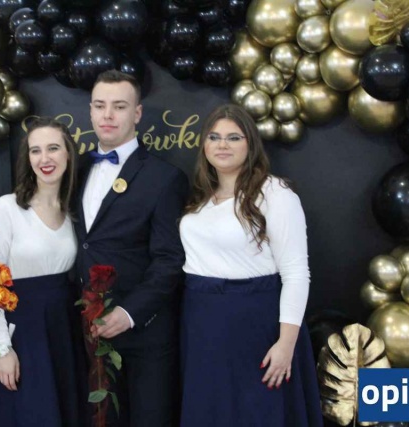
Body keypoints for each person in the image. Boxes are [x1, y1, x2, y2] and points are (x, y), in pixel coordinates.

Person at [179, 104, 323, 426]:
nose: (222, 144)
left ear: (251, 144)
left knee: (256, 412)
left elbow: (296, 274)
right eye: (214, 137)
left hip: (254, 324)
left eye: (234, 137)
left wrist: (286, 345)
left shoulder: (275, 194)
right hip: (200, 323)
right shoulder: (202, 196)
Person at [74, 69, 189, 426]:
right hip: (85, 335)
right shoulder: (73, 170)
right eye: (100, 105)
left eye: (119, 106)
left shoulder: (165, 178)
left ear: (137, 113)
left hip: (144, 336)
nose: (108, 115)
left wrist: (128, 313)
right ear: (90, 111)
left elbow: (169, 260)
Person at [0, 117, 86, 426]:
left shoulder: (77, 211)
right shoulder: (7, 208)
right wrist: (2, 348)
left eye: (53, 148)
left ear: (68, 153)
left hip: (64, 326)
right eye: (35, 150)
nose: (45, 158)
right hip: (23, 327)